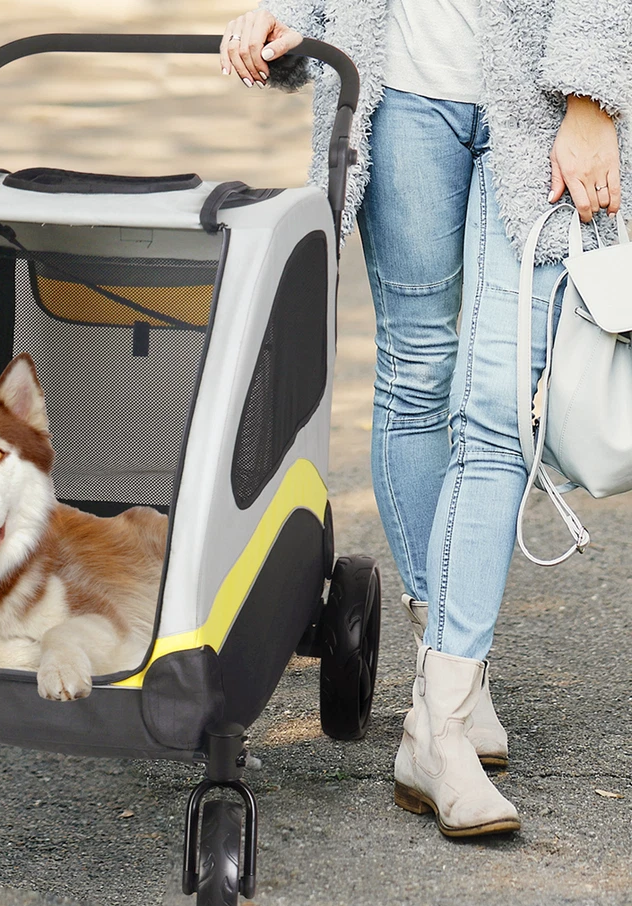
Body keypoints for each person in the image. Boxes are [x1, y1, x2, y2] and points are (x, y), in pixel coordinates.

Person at [220, 2, 630, 837]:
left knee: (500, 403)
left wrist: (593, 100)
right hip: (401, 89)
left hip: (543, 103)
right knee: (414, 375)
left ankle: (434, 726)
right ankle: (452, 695)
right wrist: (287, 13)